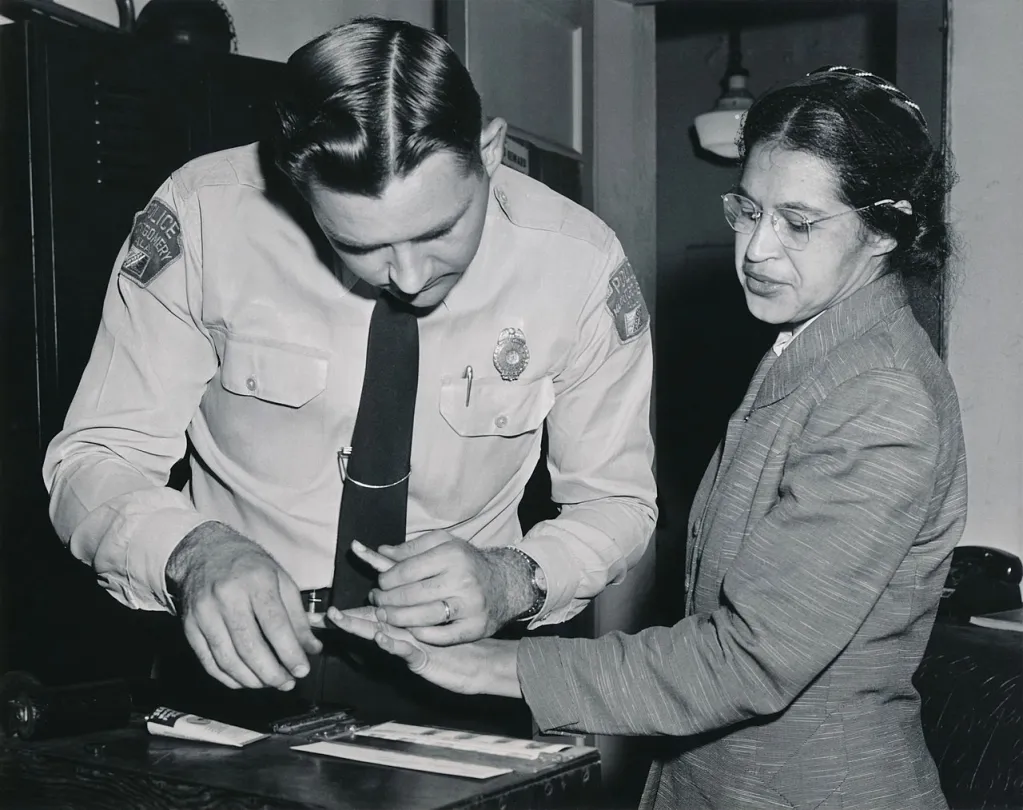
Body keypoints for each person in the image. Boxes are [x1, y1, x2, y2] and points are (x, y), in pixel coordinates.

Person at [331, 66, 967, 809]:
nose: (756, 249)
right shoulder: (816, 348)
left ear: (883, 230)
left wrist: (491, 666)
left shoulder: (879, 395)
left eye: (797, 223)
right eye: (747, 210)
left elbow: (749, 659)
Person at [41, 17, 656, 724]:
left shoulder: (577, 264)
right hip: (233, 669)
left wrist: (515, 576)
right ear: (296, 186)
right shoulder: (204, 216)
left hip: (465, 677)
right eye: (359, 244)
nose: (410, 276)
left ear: (489, 150)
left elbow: (617, 501)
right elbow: (95, 456)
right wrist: (191, 552)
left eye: (440, 230)